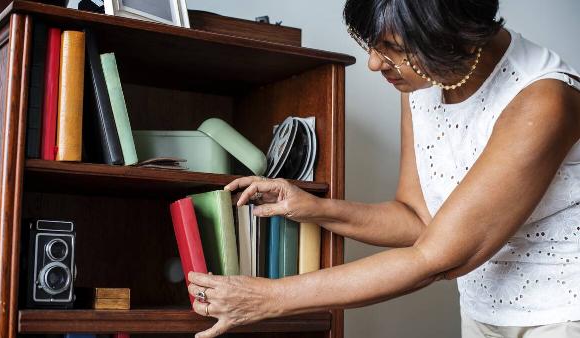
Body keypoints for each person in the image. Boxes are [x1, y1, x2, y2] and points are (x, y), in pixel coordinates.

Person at [187, 1, 580, 337]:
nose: (375, 63)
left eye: (391, 48)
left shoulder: (544, 101)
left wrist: (267, 298)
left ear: (453, 37)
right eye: (372, 45)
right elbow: (417, 218)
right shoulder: (426, 80)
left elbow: (435, 258)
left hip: (564, 314)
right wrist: (314, 208)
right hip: (482, 311)